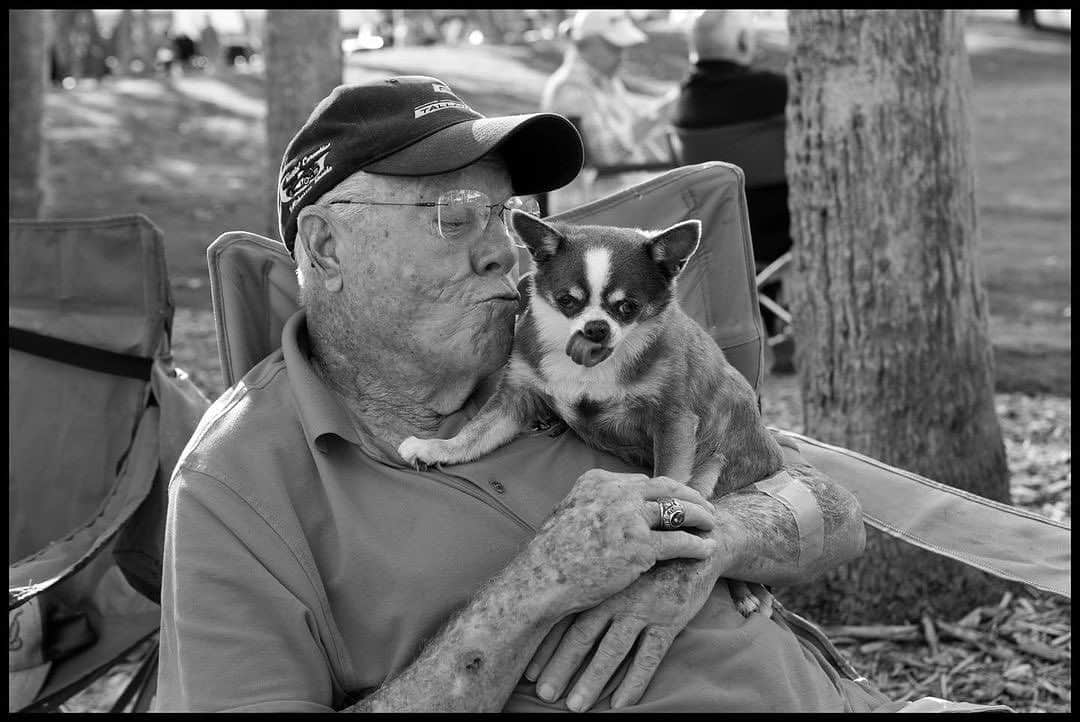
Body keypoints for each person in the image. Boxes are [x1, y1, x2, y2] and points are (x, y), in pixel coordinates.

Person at [153, 76, 985, 713]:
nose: (502, 253)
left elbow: (829, 512)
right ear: (328, 247)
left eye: (504, 211)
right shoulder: (238, 487)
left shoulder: (575, 349)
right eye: (452, 215)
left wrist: (717, 538)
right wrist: (536, 589)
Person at [673, 9, 794, 372]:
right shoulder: (775, 91)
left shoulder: (684, 102)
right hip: (784, 237)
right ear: (743, 41)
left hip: (724, 237)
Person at [540, 10, 677, 170]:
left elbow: (633, 135)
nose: (622, 55)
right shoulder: (569, 89)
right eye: (614, 47)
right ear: (586, 44)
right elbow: (606, 157)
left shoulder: (607, 80)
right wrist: (657, 115)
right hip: (597, 193)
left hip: (623, 186)